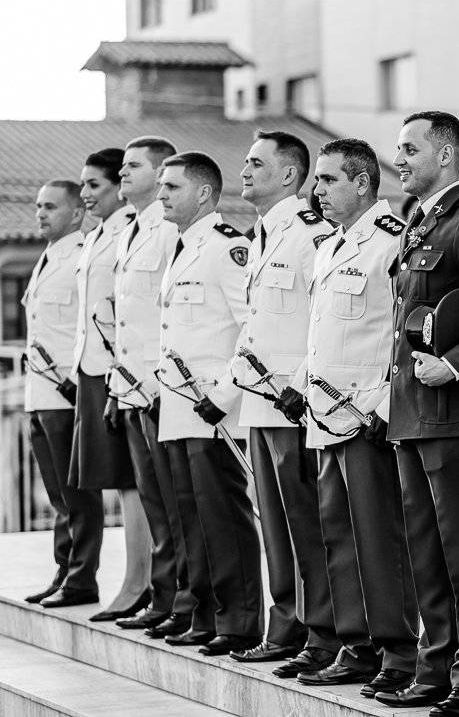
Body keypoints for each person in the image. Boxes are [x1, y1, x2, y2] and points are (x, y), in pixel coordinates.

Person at [273, 138, 422, 698]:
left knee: (380, 538)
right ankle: (356, 645)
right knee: (338, 535)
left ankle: (399, 651)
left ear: (362, 183)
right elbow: (323, 333)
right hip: (325, 412)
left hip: (366, 416)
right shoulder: (331, 244)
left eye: (329, 180)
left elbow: (403, 333)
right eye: (317, 180)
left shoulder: (392, 241)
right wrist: (298, 384)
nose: (318, 191)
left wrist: (385, 406)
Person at [384, 111, 459, 717]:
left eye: (410, 149)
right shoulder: (418, 221)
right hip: (410, 411)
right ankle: (435, 669)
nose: (399, 159)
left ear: (446, 155)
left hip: (453, 413)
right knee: (426, 552)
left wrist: (457, 364)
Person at [227, 130, 343, 678]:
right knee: (275, 525)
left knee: (307, 525)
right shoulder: (264, 235)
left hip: (293, 405)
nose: (245, 171)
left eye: (257, 163)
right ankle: (287, 624)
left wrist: (298, 384)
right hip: (259, 404)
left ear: (290, 175)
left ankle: (322, 633)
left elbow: (324, 319)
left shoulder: (309, 234)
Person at [156, 151, 262, 656]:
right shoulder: (182, 248)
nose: (161, 195)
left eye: (172, 186)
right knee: (191, 519)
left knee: (223, 519)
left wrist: (223, 395)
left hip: (214, 410)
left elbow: (251, 326)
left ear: (203, 193)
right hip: (180, 408)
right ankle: (204, 613)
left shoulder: (226, 248)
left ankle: (239, 621)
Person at [107, 136, 193, 639]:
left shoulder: (169, 231)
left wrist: (157, 383)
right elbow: (127, 320)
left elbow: (171, 316)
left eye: (133, 166)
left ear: (161, 173)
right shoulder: (131, 230)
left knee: (176, 503)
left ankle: (183, 600)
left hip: (161, 388)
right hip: (133, 388)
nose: (122, 173)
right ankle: (163, 596)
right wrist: (119, 388)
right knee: (154, 502)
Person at [59, 148, 145, 619]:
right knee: (117, 480)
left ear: (119, 186)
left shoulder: (130, 230)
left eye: (94, 184)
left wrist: (116, 381)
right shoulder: (99, 235)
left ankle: (140, 582)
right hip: (93, 369)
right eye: (84, 185)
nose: (86, 194)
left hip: (120, 373)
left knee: (132, 481)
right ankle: (137, 580)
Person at [22, 180, 96, 607]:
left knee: (76, 495)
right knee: (58, 496)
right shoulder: (48, 257)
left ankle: (82, 577)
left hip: (67, 394)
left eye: (50, 206)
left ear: (76, 213)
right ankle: (64, 570)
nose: (40, 213)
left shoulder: (82, 257)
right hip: (39, 393)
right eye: (38, 206)